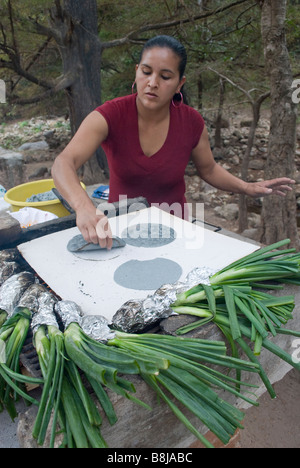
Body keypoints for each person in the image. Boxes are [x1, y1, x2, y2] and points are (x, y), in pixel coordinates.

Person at [51, 35, 295, 250]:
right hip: (120, 229)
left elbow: (208, 169)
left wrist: (247, 187)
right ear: (137, 72)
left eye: (165, 76)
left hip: (176, 228)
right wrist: (83, 207)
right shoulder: (109, 116)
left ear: (180, 83)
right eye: (146, 72)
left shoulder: (191, 122)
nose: (153, 82)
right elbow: (64, 163)